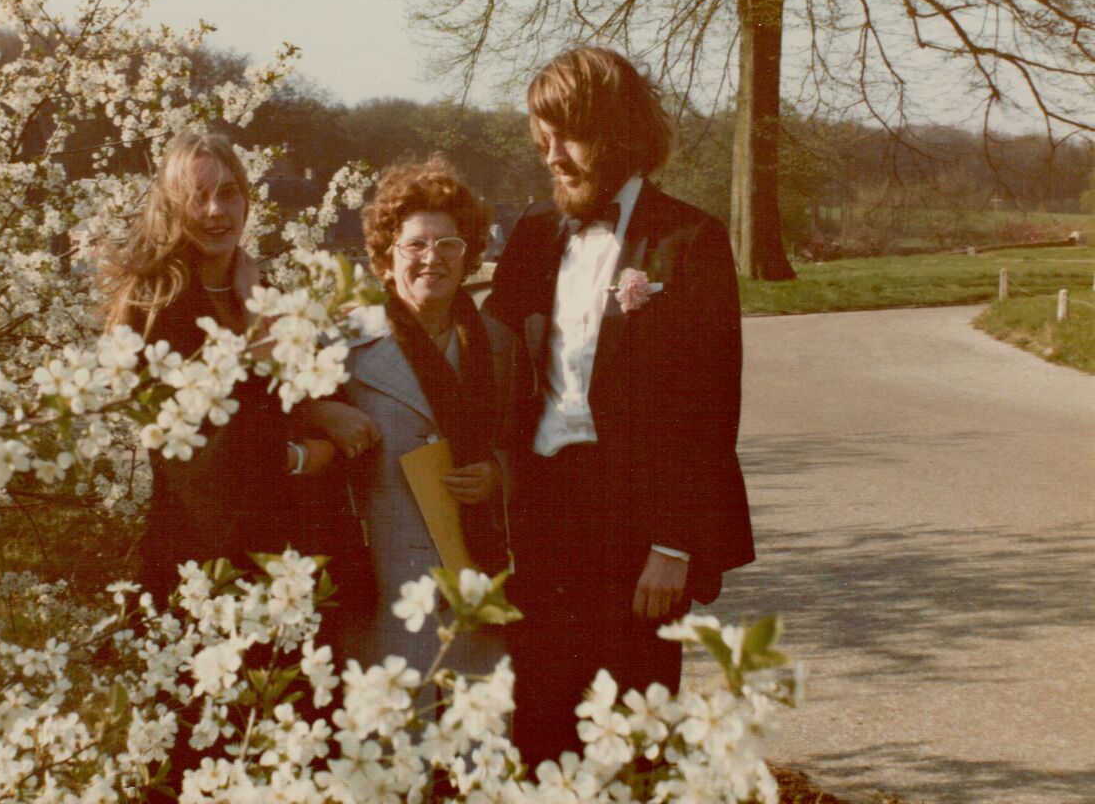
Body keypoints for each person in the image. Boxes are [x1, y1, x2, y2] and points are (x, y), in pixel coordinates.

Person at [482, 47, 755, 765]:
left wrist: (675, 544)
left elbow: (710, 407)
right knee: (540, 733)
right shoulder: (534, 236)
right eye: (541, 141)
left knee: (632, 743)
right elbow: (484, 350)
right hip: (538, 526)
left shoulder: (689, 240)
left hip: (636, 538)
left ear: (617, 131)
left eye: (565, 137)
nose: (552, 157)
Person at [97, 130, 356, 605]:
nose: (216, 211)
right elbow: (211, 459)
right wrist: (301, 455)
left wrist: (322, 412)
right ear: (173, 207)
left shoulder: (265, 290)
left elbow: (320, 392)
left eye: (228, 193)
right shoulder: (153, 308)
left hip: (296, 557)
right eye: (198, 198)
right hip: (207, 562)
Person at [339, 155, 520, 684]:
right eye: (415, 244)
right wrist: (321, 411)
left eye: (449, 245)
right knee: (392, 755)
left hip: (475, 586)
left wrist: (497, 474)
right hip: (385, 588)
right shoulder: (342, 346)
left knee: (477, 754)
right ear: (385, 257)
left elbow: (522, 445)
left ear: (469, 257)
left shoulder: (499, 346)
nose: (431, 259)